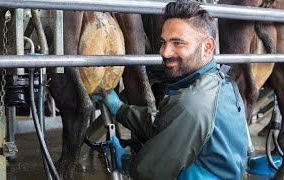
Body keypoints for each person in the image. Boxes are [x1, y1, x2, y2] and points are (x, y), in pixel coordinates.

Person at [93, 0, 249, 179]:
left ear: (207, 47)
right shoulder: (224, 82)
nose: (165, 52)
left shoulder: (191, 103)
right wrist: (120, 109)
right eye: (163, 42)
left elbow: (151, 172)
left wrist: (125, 161)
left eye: (178, 43)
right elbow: (168, 125)